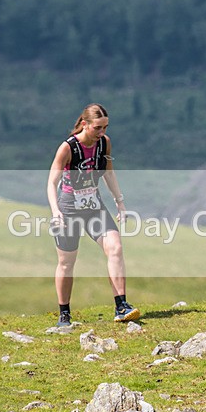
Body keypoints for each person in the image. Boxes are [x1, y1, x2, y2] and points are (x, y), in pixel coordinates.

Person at [47, 103, 140, 326]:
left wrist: (120, 203)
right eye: (98, 128)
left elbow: (108, 173)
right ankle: (64, 314)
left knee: (115, 248)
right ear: (85, 124)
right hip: (69, 208)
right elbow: (52, 182)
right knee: (67, 263)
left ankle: (121, 306)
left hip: (93, 206)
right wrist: (56, 211)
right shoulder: (68, 148)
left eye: (105, 127)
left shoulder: (103, 144)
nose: (102, 133)